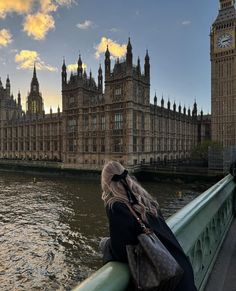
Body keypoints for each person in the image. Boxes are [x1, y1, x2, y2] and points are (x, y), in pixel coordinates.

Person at [101, 160, 197, 291]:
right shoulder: (146, 199)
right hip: (181, 268)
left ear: (106, 183)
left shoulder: (116, 206)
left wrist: (106, 245)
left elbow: (121, 252)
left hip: (167, 278)